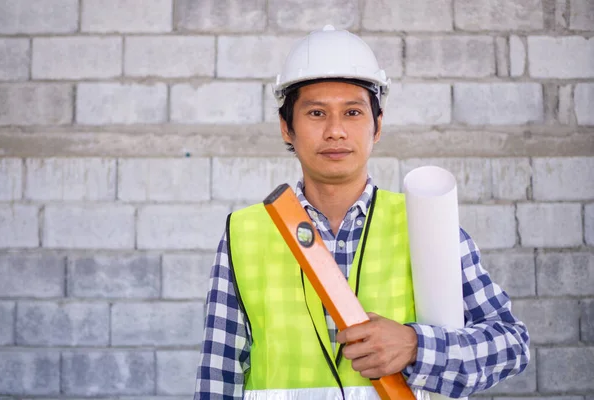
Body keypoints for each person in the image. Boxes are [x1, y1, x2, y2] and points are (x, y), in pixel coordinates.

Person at [194, 25, 530, 400]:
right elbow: (218, 374)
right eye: (317, 113)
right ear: (286, 127)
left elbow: (511, 344)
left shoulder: (425, 223)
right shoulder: (245, 232)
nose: (336, 131)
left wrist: (416, 346)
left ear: (377, 126)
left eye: (353, 112)